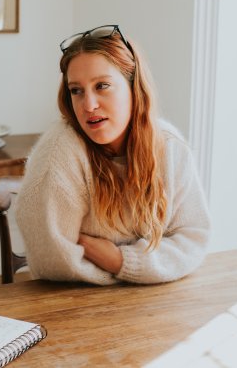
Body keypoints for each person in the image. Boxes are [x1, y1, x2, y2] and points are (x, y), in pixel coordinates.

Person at [15, 24, 211, 285]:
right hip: (73, 303)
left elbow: (193, 238)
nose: (89, 105)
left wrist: (120, 261)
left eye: (102, 86)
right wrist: (153, 265)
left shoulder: (169, 147)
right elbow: (53, 261)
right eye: (77, 90)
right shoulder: (59, 152)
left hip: (154, 303)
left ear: (134, 88)